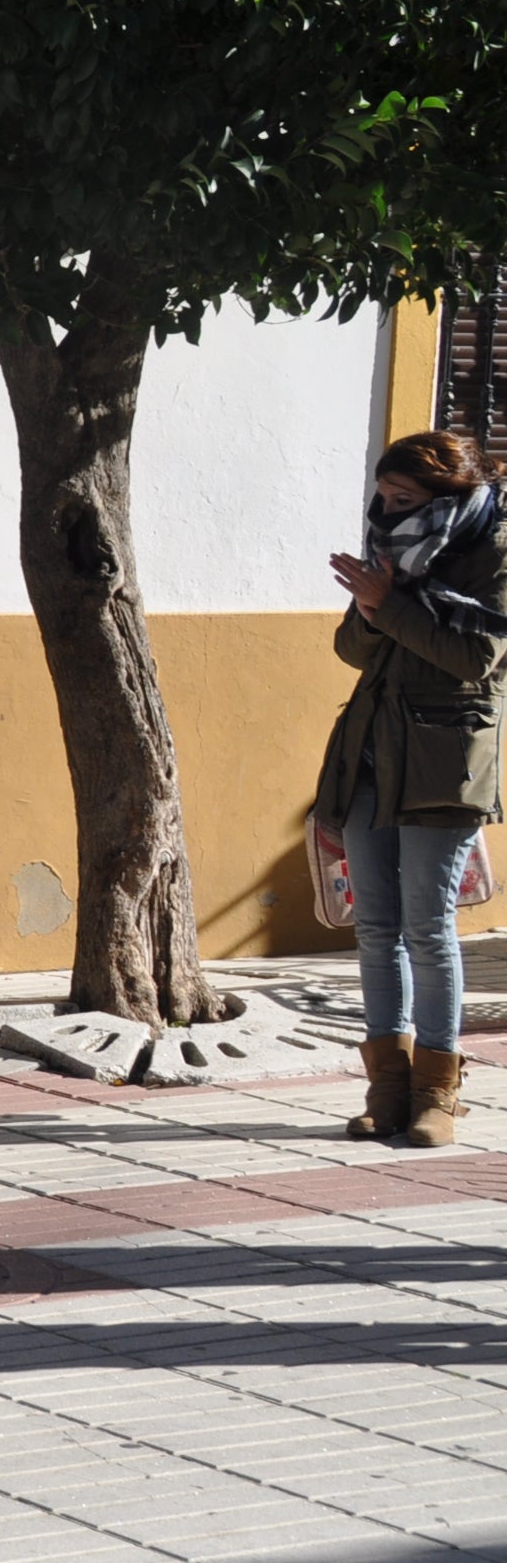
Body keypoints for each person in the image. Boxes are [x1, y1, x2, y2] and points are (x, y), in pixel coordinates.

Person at [321, 429, 507, 1148]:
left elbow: (477, 656)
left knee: (428, 931)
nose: (389, 511)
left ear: (447, 499)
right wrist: (372, 609)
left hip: (444, 761)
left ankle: (438, 1095)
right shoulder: (394, 548)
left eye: (405, 500)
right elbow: (350, 650)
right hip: (370, 754)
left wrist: (391, 606)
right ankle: (386, 1092)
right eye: (385, 497)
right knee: (375, 929)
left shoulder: (492, 551)